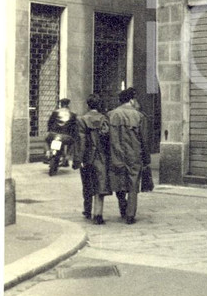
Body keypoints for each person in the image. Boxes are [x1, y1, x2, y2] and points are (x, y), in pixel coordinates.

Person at [108, 88, 150, 224]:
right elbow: (144, 140)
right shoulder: (139, 116)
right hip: (134, 155)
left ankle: (122, 205)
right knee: (133, 184)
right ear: (132, 99)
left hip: (116, 154)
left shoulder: (111, 115)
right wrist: (146, 159)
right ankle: (130, 215)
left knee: (119, 181)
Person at [75, 94, 112, 225]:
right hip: (101, 156)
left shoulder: (82, 120)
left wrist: (78, 159)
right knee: (100, 185)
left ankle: (87, 210)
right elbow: (108, 140)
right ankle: (98, 214)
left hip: (87, 157)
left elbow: (81, 141)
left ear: (88, 105)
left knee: (87, 184)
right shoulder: (104, 119)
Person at [45, 98, 77, 166]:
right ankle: (67, 157)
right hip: (66, 136)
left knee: (46, 140)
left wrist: (49, 131)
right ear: (68, 104)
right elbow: (74, 126)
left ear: (61, 104)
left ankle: (47, 152)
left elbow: (50, 123)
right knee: (73, 143)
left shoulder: (55, 112)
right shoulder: (72, 114)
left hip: (53, 134)